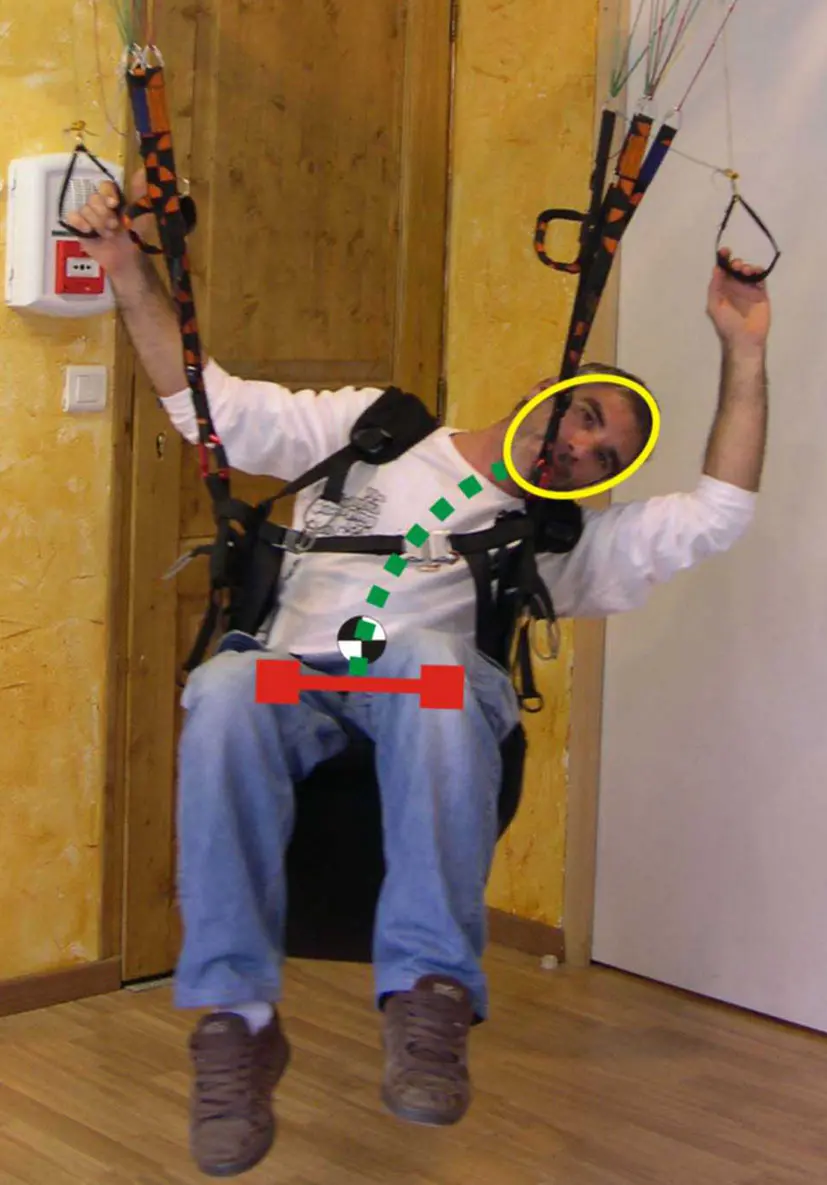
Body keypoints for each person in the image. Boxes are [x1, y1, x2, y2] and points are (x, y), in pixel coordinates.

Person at [67, 177, 770, 1178]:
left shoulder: (554, 542)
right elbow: (203, 405)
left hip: (419, 694)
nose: (577, 447)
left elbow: (717, 515)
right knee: (224, 689)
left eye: (601, 455)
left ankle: (428, 995)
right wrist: (128, 271)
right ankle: (236, 1021)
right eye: (581, 418)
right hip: (296, 684)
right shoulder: (376, 431)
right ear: (543, 394)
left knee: (431, 663)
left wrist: (743, 349)